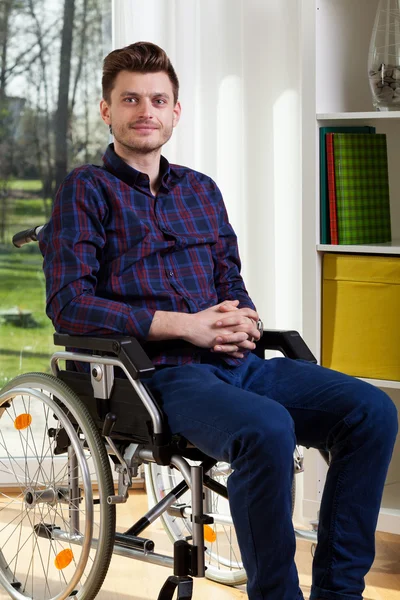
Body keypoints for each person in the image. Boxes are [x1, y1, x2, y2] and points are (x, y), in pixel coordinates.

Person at [38, 42, 398, 600]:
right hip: (156, 376)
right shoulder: (86, 191)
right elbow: (69, 304)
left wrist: (242, 319)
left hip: (237, 364)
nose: (146, 110)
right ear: (107, 110)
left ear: (176, 111)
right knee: (267, 428)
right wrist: (186, 326)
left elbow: (230, 280)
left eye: (159, 99)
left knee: (371, 410)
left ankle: (338, 593)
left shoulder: (201, 190)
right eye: (130, 99)